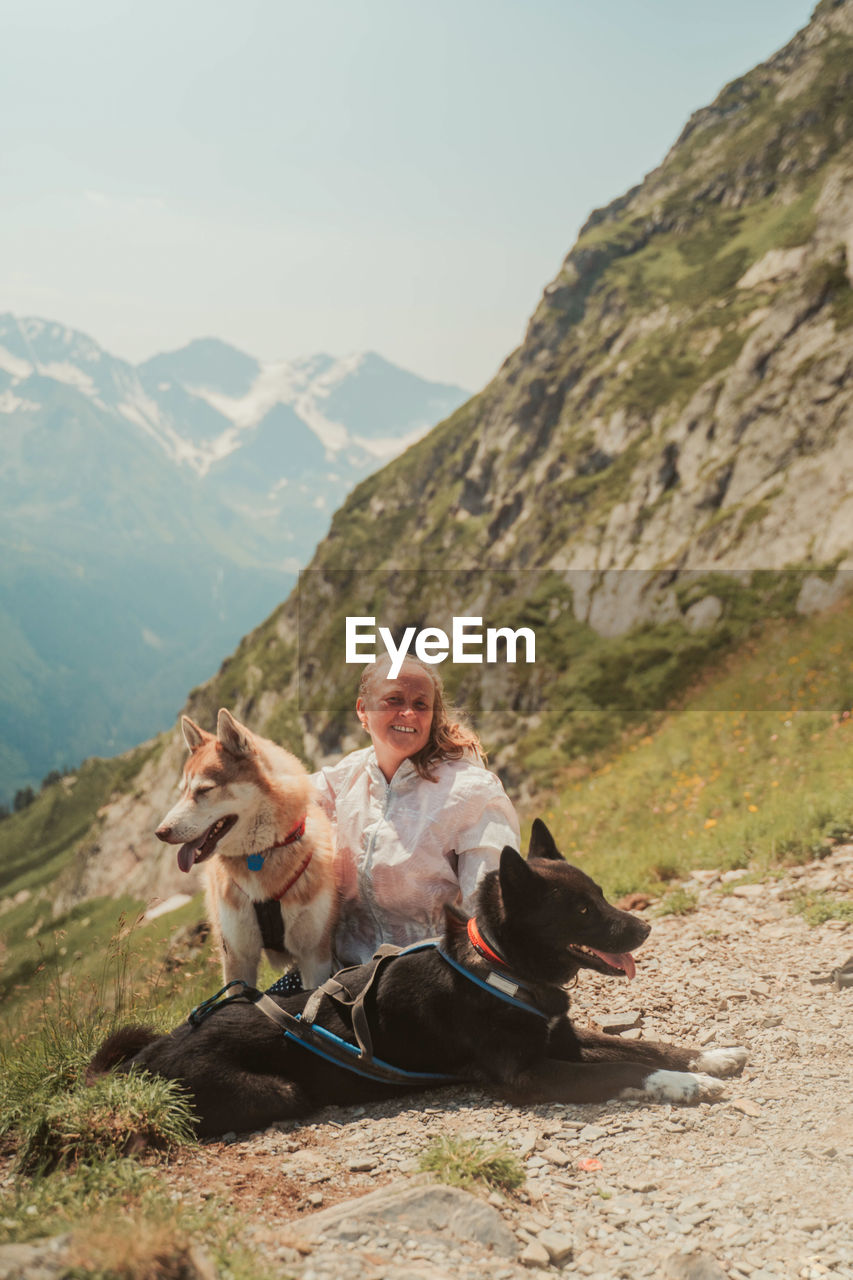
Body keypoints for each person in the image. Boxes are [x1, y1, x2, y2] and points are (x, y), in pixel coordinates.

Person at [310, 654, 520, 968]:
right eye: (393, 700)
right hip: (342, 976)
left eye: (421, 704)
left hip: (433, 979)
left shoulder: (473, 792)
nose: (408, 713)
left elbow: (491, 913)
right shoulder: (347, 776)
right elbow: (274, 796)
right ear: (362, 711)